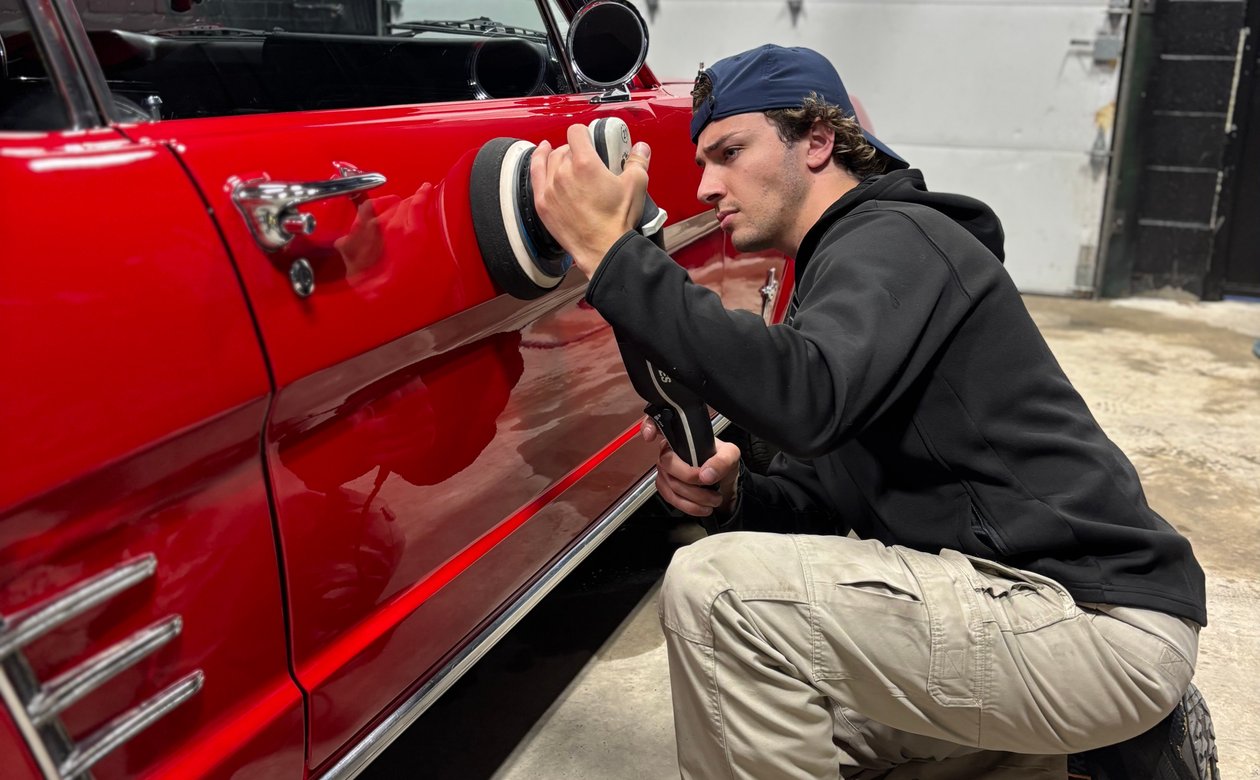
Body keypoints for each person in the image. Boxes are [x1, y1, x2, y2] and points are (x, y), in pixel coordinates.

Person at [530, 44, 1208, 779]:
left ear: (817, 141)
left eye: (729, 152)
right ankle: (1091, 760)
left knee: (719, 593)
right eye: (701, 162)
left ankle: (1093, 733)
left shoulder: (894, 239)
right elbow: (828, 497)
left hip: (1090, 623)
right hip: (1031, 614)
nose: (704, 187)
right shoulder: (843, 275)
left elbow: (805, 401)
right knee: (809, 730)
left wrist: (614, 255)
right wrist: (738, 495)